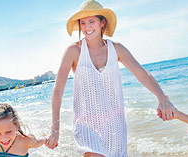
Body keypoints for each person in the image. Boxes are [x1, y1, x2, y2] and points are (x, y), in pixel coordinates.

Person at [46, 0, 177, 156]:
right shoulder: (74, 51)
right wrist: (55, 129)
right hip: (86, 126)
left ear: (102, 22)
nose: (87, 27)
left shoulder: (116, 49)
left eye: (92, 21)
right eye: (83, 23)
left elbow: (142, 73)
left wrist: (162, 97)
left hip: (115, 126)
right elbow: (58, 90)